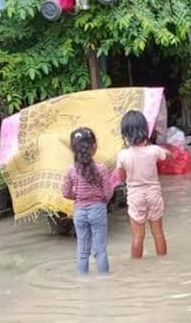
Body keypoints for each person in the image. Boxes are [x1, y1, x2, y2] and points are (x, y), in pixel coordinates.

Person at [61, 127, 120, 274]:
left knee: (82, 252)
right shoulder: (101, 169)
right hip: (98, 209)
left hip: (79, 212)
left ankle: (82, 284)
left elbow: (65, 192)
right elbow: (108, 191)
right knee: (100, 251)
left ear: (74, 150)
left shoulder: (71, 170)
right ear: (94, 148)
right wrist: (102, 201)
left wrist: (77, 196)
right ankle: (105, 283)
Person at [116, 110, 169, 258]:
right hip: (154, 194)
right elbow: (165, 156)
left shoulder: (123, 155)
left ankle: (136, 269)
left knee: (138, 236)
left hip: (135, 196)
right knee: (158, 233)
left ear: (125, 133)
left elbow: (121, 178)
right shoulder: (154, 151)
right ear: (145, 130)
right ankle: (163, 263)